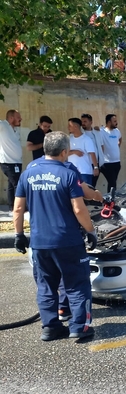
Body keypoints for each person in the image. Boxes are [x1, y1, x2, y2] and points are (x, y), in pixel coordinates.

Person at [13, 131, 96, 341]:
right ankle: (80, 327)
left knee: (46, 286)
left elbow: (17, 209)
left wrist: (19, 235)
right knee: (77, 284)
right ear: (64, 151)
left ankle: (50, 327)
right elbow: (79, 209)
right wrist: (90, 231)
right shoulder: (68, 173)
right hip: (68, 241)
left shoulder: (28, 173)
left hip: (39, 243)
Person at [0, 109, 23, 210]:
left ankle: (12, 206)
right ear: (11, 118)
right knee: (17, 184)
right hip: (7, 163)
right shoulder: (3, 125)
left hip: (17, 162)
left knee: (11, 184)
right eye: (18, 117)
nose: (20, 119)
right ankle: (21, 207)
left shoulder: (15, 130)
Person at [67, 118, 98, 186]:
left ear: (75, 126)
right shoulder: (69, 139)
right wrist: (74, 152)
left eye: (69, 125)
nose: (68, 127)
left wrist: (95, 167)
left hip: (84, 172)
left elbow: (92, 154)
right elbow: (65, 153)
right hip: (72, 172)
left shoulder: (86, 139)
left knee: (86, 195)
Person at [80, 114, 105, 187]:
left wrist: (98, 161)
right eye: (82, 121)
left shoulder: (97, 133)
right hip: (85, 164)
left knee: (93, 185)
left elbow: (101, 146)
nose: (83, 123)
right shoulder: (80, 133)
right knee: (86, 186)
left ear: (91, 122)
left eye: (85, 121)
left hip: (96, 164)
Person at [100, 114, 122, 192]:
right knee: (112, 183)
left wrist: (118, 145)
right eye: (114, 121)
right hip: (107, 163)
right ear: (109, 122)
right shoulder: (102, 131)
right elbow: (94, 132)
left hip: (117, 163)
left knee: (112, 183)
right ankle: (110, 200)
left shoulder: (117, 131)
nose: (116, 123)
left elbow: (120, 138)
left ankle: (110, 200)